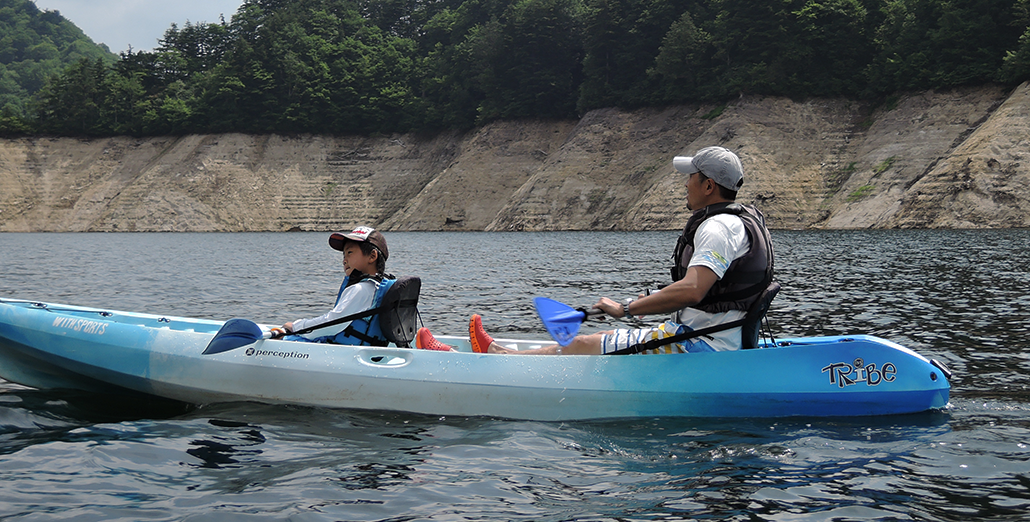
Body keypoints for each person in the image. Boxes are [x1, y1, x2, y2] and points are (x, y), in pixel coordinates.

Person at [452, 146, 773, 356]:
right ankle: (508, 355)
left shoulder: (717, 228)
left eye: (691, 177)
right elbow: (707, 289)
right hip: (713, 337)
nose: (685, 184)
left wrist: (626, 308)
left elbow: (693, 290)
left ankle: (498, 358)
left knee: (580, 344)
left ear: (708, 186)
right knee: (600, 337)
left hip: (702, 346)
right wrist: (652, 301)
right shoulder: (738, 221)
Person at [274, 225, 399, 346]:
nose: (344, 260)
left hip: (344, 352)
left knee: (281, 338)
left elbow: (333, 323)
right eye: (344, 255)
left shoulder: (361, 289)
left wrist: (295, 327)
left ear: (372, 256)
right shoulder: (380, 288)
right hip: (367, 350)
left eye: (350, 252)